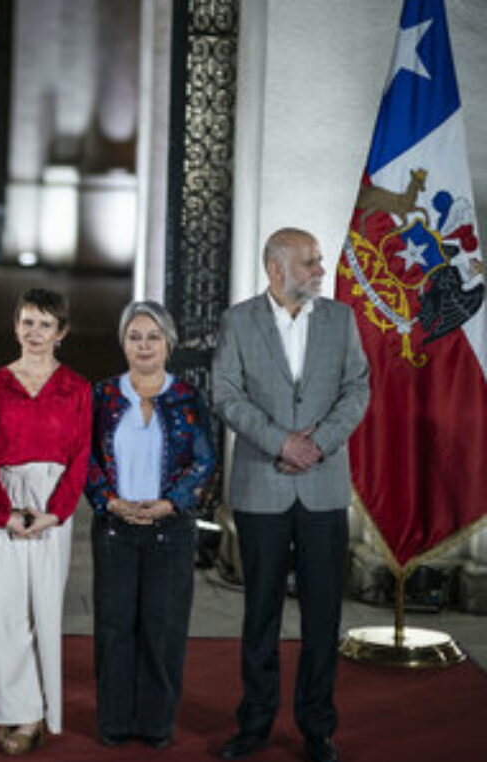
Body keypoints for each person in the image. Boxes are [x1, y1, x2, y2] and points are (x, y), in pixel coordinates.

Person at [212, 228, 369, 762]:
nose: (320, 270)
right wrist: (280, 441)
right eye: (309, 262)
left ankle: (317, 728)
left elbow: (358, 388)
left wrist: (316, 445)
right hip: (262, 489)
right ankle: (254, 724)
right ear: (276, 269)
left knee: (323, 616)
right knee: (260, 615)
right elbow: (225, 392)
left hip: (323, 489)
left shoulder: (341, 320)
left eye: (319, 261)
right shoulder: (238, 321)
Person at [84, 301, 215, 750]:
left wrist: (168, 504)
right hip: (116, 529)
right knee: (115, 628)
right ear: (123, 343)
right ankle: (114, 721)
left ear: (168, 344)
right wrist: (112, 502)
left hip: (170, 531)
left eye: (152, 337)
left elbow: (203, 461)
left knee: (163, 628)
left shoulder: (188, 396)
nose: (143, 346)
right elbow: (86, 459)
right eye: (134, 336)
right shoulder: (102, 396)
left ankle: (157, 722)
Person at [0, 289, 93, 755]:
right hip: (2, 505)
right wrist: (4, 513)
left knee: (42, 611)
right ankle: (20, 711)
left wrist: (54, 513)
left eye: (45, 324)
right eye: (27, 322)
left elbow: (80, 456)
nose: (34, 333)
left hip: (51, 508)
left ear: (61, 333)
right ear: (15, 326)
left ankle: (39, 707)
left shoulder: (77, 388)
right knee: (2, 615)